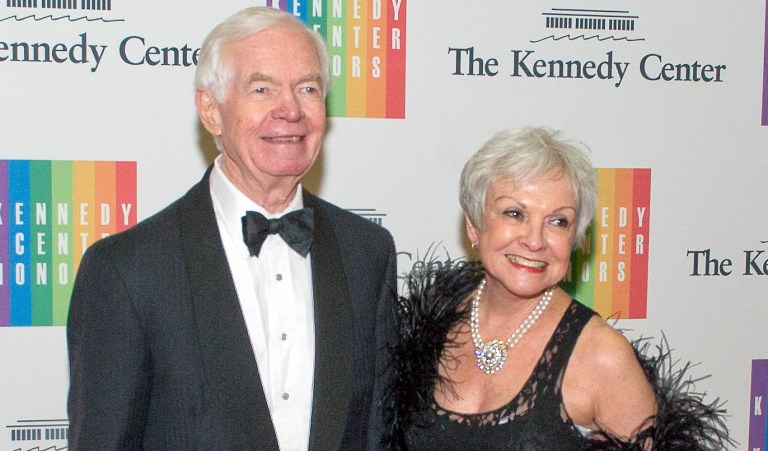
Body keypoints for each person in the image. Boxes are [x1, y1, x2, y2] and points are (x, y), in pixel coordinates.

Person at [67, 7, 396, 450]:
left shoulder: (367, 253)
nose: (291, 110)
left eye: (308, 88)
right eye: (262, 88)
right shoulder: (127, 271)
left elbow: (378, 433)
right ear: (211, 110)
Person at [383, 127, 732, 450]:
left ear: (575, 238)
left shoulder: (601, 356)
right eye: (514, 213)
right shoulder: (429, 328)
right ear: (474, 225)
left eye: (557, 221)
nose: (534, 240)